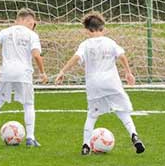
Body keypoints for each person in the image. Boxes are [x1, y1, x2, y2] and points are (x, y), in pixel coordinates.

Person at [55, 12, 145, 155]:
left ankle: (85, 144)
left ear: (87, 30)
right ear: (103, 29)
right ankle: (134, 135)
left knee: (92, 115)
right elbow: (122, 56)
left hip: (94, 84)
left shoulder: (85, 44)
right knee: (122, 111)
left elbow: (76, 57)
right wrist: (128, 72)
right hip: (112, 82)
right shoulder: (110, 42)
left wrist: (62, 71)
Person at [0, 8, 47, 146]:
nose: (33, 26)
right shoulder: (32, 35)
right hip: (23, 73)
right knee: (28, 104)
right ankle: (30, 138)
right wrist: (42, 72)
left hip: (6, 72)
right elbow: (36, 55)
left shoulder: (7, 31)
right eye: (32, 23)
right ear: (26, 21)